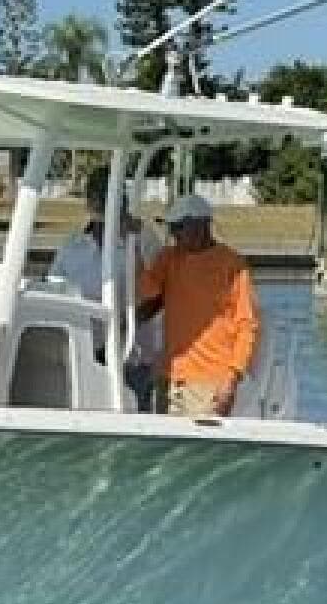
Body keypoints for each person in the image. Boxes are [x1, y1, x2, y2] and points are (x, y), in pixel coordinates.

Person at [49, 167, 163, 410]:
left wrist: (123, 325)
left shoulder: (143, 237)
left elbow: (161, 294)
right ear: (88, 202)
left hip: (132, 354)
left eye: (108, 194)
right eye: (96, 195)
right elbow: (54, 291)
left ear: (121, 197)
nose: (102, 201)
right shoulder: (72, 245)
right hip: (84, 355)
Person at [137, 193, 259, 418]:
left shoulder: (232, 265)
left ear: (201, 226)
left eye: (178, 227)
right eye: (171, 228)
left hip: (209, 382)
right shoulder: (169, 259)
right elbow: (146, 293)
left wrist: (231, 381)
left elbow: (246, 325)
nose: (173, 234)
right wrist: (136, 239)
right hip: (170, 376)